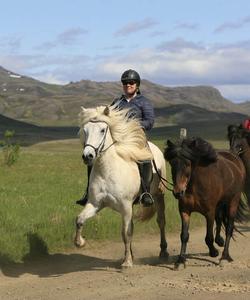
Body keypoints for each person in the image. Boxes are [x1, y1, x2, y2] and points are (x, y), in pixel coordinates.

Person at [76, 69, 155, 207]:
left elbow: (150, 121)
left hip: (136, 140)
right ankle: (88, 192)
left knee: (145, 158)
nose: (128, 85)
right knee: (94, 157)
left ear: (137, 85)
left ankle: (145, 192)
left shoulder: (144, 102)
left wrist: (133, 126)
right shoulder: (117, 102)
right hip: (118, 140)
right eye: (125, 83)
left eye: (131, 82)